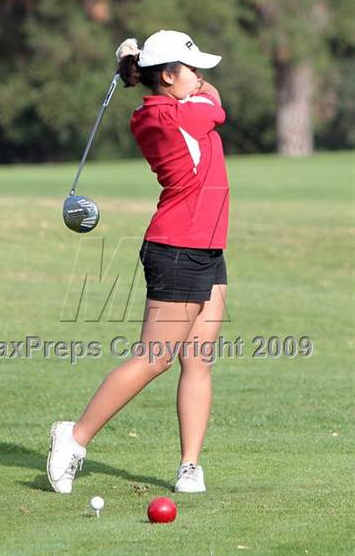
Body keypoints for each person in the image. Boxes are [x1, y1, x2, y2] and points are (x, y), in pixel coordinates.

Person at [47, 30, 229, 495]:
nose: (200, 76)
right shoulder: (184, 116)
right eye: (191, 69)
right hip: (179, 249)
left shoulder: (156, 109)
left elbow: (197, 90)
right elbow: (214, 97)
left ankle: (190, 466)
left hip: (205, 246)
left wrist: (137, 62)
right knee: (156, 358)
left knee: (199, 359)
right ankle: (74, 437)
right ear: (168, 76)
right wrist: (139, 62)